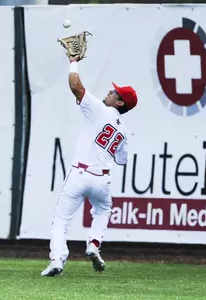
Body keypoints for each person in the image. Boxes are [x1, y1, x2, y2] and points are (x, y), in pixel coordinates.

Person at [41, 56, 138, 276]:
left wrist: (73, 61)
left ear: (120, 103)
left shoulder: (99, 109)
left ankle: (57, 259)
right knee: (103, 210)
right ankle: (94, 244)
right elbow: (122, 161)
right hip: (102, 179)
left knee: (61, 221)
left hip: (79, 173)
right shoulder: (123, 130)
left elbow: (75, 85)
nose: (110, 92)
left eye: (114, 93)